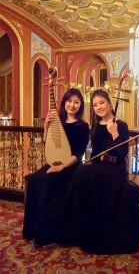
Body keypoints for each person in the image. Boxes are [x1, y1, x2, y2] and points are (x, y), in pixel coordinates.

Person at [34, 88, 139, 254]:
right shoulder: (95, 126)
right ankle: (57, 225)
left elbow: (122, 154)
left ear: (109, 103)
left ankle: (54, 221)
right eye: (95, 105)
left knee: (79, 173)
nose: (99, 107)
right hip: (99, 168)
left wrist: (114, 133)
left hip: (115, 170)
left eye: (102, 103)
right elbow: (94, 154)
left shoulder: (120, 125)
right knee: (81, 171)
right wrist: (90, 162)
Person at [22, 87, 89, 240]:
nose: (72, 105)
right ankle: (32, 228)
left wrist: (62, 166)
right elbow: (48, 143)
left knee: (47, 181)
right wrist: (46, 126)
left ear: (80, 105)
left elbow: (78, 154)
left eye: (76, 102)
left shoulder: (83, 126)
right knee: (34, 180)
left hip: (70, 166)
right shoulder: (57, 121)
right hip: (55, 162)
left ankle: (46, 230)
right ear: (64, 102)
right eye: (69, 101)